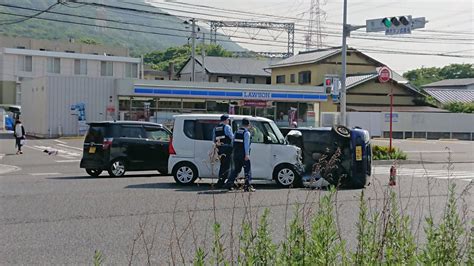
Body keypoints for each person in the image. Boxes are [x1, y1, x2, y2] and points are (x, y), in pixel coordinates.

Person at [223, 118, 255, 192]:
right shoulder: (246, 133)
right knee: (247, 170)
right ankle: (247, 186)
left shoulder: (236, 132)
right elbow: (246, 145)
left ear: (242, 124)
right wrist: (247, 155)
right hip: (243, 154)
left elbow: (232, 142)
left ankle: (229, 184)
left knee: (236, 169)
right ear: (248, 125)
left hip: (235, 153)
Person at [211, 114, 234, 188]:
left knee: (222, 165)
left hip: (220, 149)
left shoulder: (216, 128)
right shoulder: (227, 127)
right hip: (227, 148)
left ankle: (220, 181)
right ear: (226, 120)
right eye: (228, 120)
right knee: (227, 166)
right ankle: (224, 183)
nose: (228, 121)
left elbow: (213, 139)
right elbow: (232, 137)